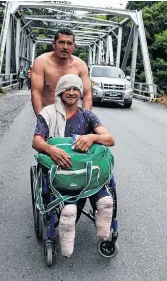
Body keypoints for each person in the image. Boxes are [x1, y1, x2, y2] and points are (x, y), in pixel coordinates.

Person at [32, 74, 115, 258]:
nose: (71, 93)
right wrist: (50, 149)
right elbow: (37, 141)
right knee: (70, 206)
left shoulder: (87, 115)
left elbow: (109, 139)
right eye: (67, 89)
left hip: (85, 169)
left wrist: (92, 137)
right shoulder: (48, 114)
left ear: (80, 93)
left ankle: (103, 230)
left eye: (75, 89)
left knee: (104, 200)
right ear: (60, 92)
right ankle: (70, 214)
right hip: (61, 168)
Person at [30, 28, 92, 116]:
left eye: (69, 43)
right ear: (54, 44)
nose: (65, 47)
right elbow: (35, 93)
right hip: (48, 115)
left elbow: (87, 95)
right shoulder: (41, 62)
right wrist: (41, 120)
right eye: (61, 42)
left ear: (74, 46)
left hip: (71, 117)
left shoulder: (80, 65)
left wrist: (85, 119)